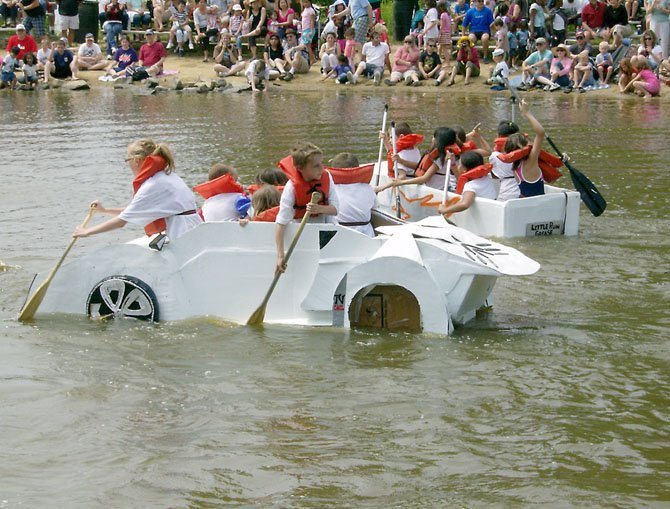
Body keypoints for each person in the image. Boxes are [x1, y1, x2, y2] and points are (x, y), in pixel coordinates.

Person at [73, 139, 202, 241]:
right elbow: (134, 211)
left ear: (137, 160)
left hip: (183, 236)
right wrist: (105, 211)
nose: (127, 164)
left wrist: (86, 232)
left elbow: (121, 222)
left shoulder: (153, 185)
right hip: (194, 230)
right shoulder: (167, 176)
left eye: (127, 159)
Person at [275, 142, 339, 273]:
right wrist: (280, 256)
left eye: (322, 163)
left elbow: (335, 210)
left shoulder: (327, 177)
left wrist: (319, 209)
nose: (322, 169)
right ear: (300, 168)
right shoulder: (292, 188)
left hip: (326, 232)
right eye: (316, 166)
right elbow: (281, 224)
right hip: (303, 234)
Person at [378, 127, 457, 191]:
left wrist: (400, 182)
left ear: (439, 140)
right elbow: (419, 166)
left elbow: (424, 178)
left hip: (436, 190)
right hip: (435, 188)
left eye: (434, 137)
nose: (432, 139)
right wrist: (400, 160)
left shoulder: (440, 159)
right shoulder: (442, 154)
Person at [499, 99, 546, 198]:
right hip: (538, 206)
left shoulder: (516, 167)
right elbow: (541, 133)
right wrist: (527, 113)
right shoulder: (530, 163)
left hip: (525, 203)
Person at [328, 152, 376, 237]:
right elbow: (375, 206)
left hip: (339, 234)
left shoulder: (331, 188)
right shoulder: (367, 188)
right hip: (366, 234)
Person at [437, 151, 497, 217]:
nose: (458, 166)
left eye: (459, 164)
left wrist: (444, 210)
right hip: (493, 212)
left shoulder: (470, 187)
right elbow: (462, 178)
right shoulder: (486, 177)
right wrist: (453, 164)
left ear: (464, 169)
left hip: (484, 216)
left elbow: (465, 204)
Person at [489, 119, 520, 201]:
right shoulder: (524, 153)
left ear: (499, 136)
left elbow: (494, 176)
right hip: (524, 189)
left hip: (506, 191)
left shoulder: (494, 156)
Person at [437, 0, 452, 65]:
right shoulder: (448, 14)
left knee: (444, 48)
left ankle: (448, 63)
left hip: (443, 32)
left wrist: (439, 33)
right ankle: (438, 58)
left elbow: (442, 26)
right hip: (448, 32)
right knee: (440, 46)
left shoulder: (443, 15)